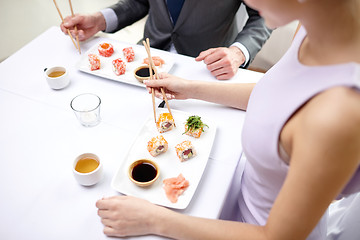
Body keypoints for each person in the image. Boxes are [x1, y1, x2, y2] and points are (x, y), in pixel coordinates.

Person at [96, 0, 360, 239]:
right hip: (236, 188)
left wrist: (154, 219)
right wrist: (191, 88)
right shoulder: (316, 24)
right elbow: (278, 96)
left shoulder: (338, 113)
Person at [60, 0, 272, 80]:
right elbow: (140, 2)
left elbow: (265, 15)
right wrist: (99, 20)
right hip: (146, 58)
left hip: (205, 68)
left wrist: (237, 53)